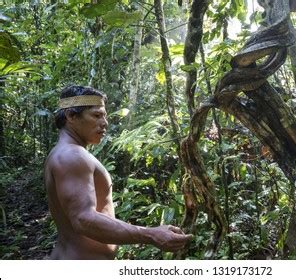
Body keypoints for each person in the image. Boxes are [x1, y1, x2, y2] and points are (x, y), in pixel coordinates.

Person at [44, 85, 192, 259]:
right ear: (71, 116)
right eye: (97, 115)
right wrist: (150, 234)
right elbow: (83, 219)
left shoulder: (63, 153)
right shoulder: (72, 156)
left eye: (104, 116)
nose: (105, 122)